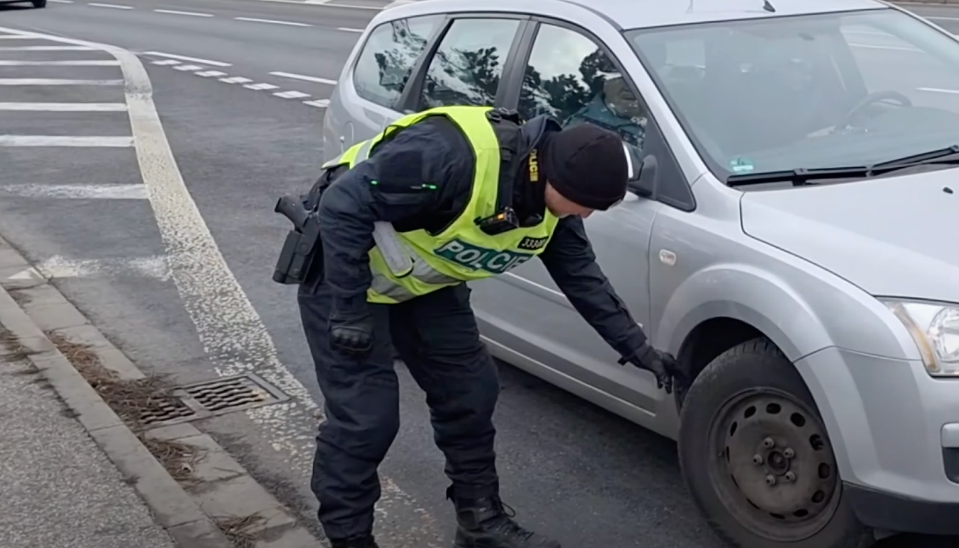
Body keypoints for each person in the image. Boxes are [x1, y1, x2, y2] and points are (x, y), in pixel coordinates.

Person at [278, 105, 687, 548]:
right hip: (345, 281)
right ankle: (350, 538)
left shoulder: (554, 204)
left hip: (422, 285)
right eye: (586, 206)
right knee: (367, 420)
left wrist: (640, 349)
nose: (586, 216)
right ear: (556, 179)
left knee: (472, 391)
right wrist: (351, 312)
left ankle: (480, 522)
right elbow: (342, 205)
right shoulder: (450, 157)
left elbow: (584, 281)